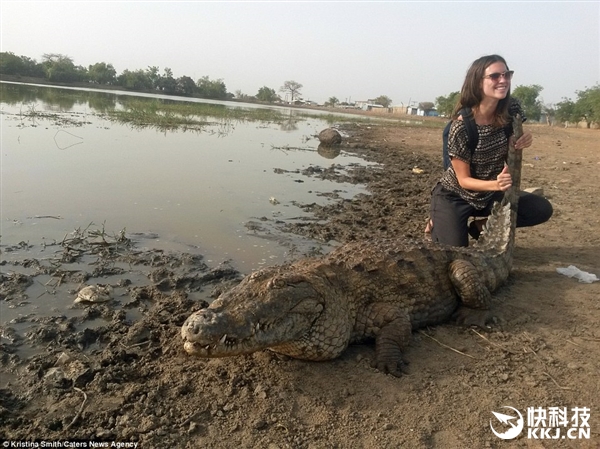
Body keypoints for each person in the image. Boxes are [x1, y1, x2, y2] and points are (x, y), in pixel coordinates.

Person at [427, 54, 553, 247]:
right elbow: (463, 180)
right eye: (495, 76)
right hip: (456, 195)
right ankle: (439, 217)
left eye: (506, 74)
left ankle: (482, 225)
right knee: (456, 254)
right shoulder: (460, 127)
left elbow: (515, 133)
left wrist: (523, 138)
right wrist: (496, 185)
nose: (503, 80)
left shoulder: (512, 108)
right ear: (478, 82)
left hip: (490, 194)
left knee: (540, 208)